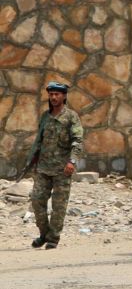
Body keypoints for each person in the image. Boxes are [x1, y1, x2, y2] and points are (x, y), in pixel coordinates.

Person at [27, 82, 84, 250]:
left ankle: (53, 238)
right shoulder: (45, 116)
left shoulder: (71, 117)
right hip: (43, 169)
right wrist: (32, 161)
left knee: (59, 206)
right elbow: (39, 141)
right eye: (51, 94)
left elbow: (78, 141)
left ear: (64, 96)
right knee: (37, 201)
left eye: (57, 94)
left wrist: (72, 161)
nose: (53, 97)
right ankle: (44, 234)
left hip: (63, 170)